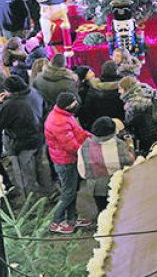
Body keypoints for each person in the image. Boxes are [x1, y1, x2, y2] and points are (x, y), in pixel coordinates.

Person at [44, 92, 92, 234]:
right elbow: (70, 145)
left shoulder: (65, 115)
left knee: (72, 190)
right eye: (73, 104)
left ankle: (71, 219)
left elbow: (77, 132)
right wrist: (89, 151)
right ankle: (56, 221)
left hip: (69, 159)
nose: (76, 106)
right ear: (67, 106)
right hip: (65, 161)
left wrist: (91, 137)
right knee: (68, 193)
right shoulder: (58, 122)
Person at [0, 75, 43, 197]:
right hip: (37, 137)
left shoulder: (10, 105)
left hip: (20, 144)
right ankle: (41, 193)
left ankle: (30, 203)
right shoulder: (34, 93)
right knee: (35, 168)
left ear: (9, 91)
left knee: (23, 175)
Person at [76, 116, 134, 215]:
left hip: (95, 188)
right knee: (119, 210)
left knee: (103, 211)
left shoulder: (85, 146)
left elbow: (83, 171)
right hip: (116, 184)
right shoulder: (118, 145)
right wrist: (130, 145)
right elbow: (130, 160)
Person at [118, 76, 157, 156]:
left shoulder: (135, 103)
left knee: (147, 152)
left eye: (120, 88)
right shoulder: (144, 90)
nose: (119, 91)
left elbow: (130, 120)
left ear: (126, 88)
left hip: (146, 131)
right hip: (156, 125)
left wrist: (127, 109)